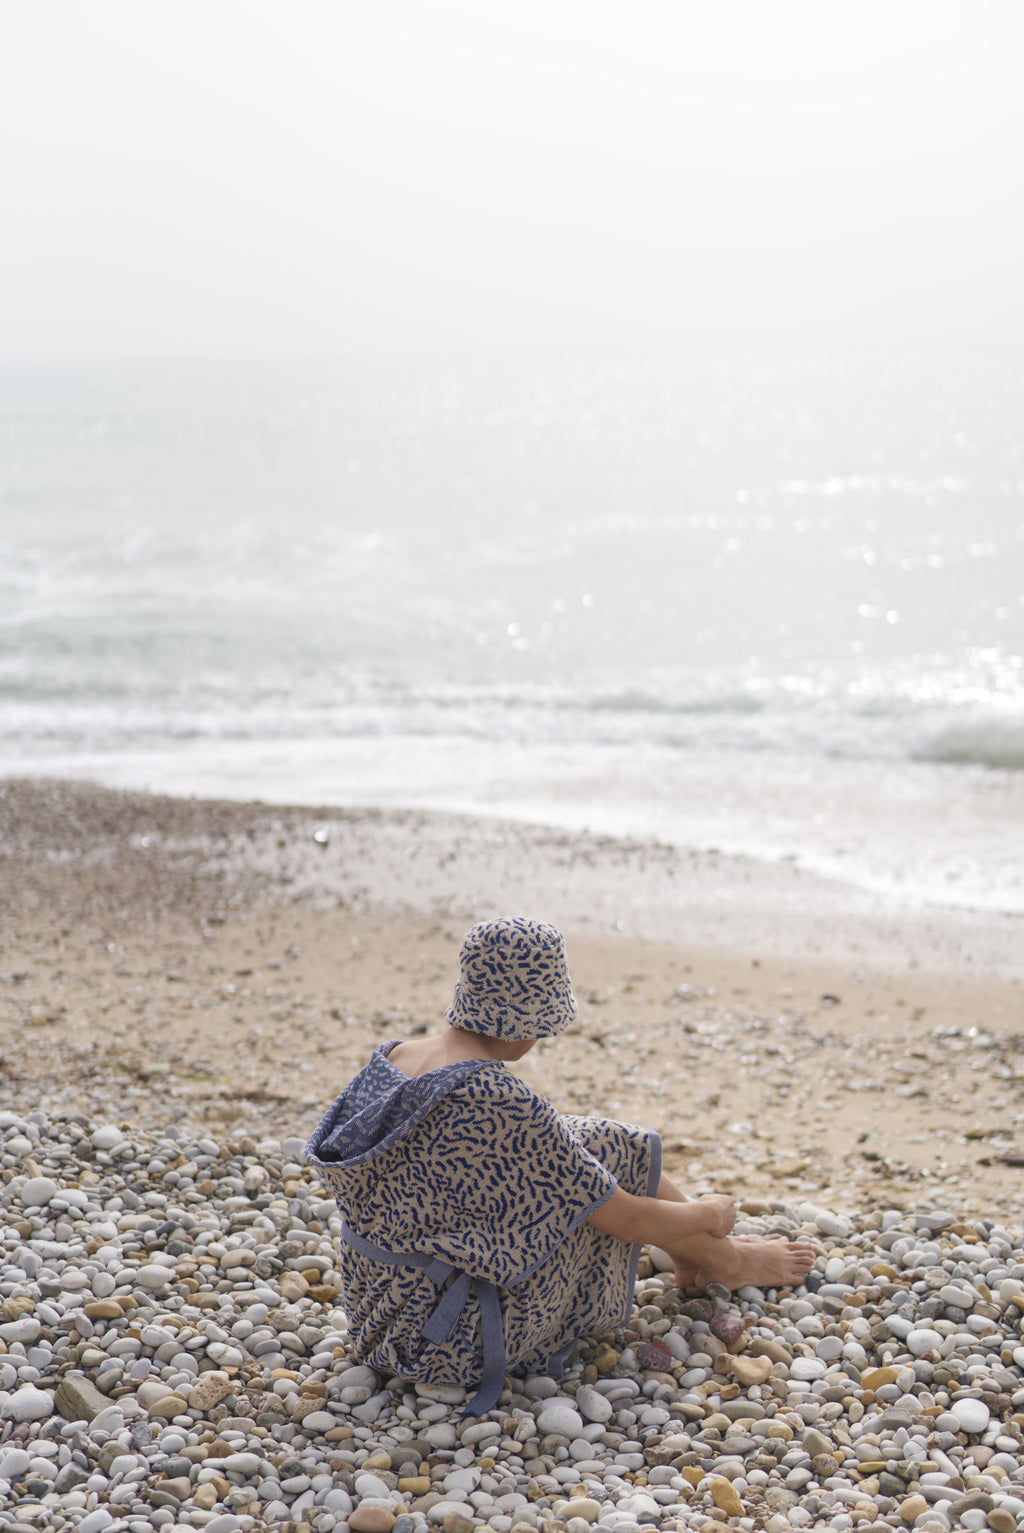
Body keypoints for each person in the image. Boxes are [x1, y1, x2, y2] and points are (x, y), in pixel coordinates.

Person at [305, 916, 815, 1414]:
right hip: (448, 1339)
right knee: (592, 1186)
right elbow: (628, 1220)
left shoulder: (395, 1057)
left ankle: (703, 1255)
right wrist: (710, 1213)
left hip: (376, 1311)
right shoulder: (498, 1099)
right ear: (531, 1020)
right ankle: (725, 1257)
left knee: (601, 1143)